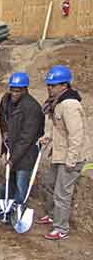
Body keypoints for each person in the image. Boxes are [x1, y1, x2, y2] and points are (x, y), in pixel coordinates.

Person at [38, 65, 91, 240]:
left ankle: (61, 228)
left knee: (62, 193)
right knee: (49, 183)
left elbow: (77, 135)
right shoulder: (58, 103)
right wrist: (47, 137)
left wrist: (71, 160)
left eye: (53, 85)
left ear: (64, 86)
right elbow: (58, 128)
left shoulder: (70, 105)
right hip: (59, 154)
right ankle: (53, 215)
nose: (50, 88)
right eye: (49, 85)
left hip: (72, 157)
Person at [0, 72, 44, 209]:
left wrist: (12, 159)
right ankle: (4, 207)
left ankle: (18, 210)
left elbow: (27, 138)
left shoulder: (32, 108)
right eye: (12, 90)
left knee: (20, 183)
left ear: (25, 90)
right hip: (12, 148)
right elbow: (1, 117)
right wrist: (5, 133)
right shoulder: (6, 100)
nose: (14, 93)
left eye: (17, 91)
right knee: (8, 180)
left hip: (26, 153)